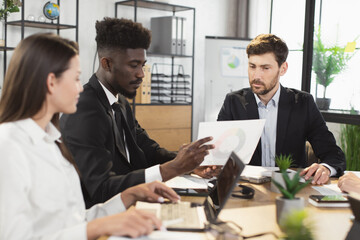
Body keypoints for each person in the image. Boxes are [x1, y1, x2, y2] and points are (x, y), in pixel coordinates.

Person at [0, 33, 182, 239]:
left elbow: (73, 221)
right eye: (76, 78)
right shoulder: (9, 147)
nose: (80, 87)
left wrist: (127, 196)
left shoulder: (51, 142)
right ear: (51, 82)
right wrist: (95, 229)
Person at [60, 17, 216, 208]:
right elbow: (100, 189)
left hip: (133, 205)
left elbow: (147, 149)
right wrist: (171, 168)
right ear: (107, 64)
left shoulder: (121, 102)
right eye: (134, 65)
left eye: (143, 65)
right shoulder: (83, 109)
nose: (142, 74)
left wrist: (187, 164)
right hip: (101, 218)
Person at [217, 33, 345, 185]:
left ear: (282, 68)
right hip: (247, 188)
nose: (256, 75)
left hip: (289, 190)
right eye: (252, 66)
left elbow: (333, 154)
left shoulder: (304, 103)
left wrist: (325, 168)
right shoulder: (233, 102)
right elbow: (218, 153)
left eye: (265, 68)